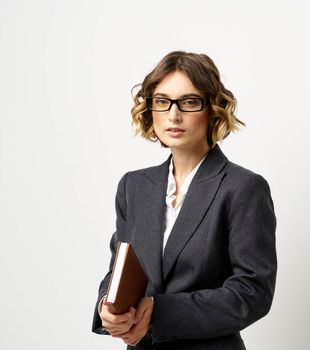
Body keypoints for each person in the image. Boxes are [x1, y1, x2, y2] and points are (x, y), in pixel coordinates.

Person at [91, 51, 277, 350]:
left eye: (189, 102)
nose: (173, 115)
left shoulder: (243, 188)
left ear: (213, 109)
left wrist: (159, 312)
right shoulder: (134, 186)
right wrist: (107, 307)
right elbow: (120, 270)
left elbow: (252, 292)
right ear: (150, 108)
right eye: (162, 102)